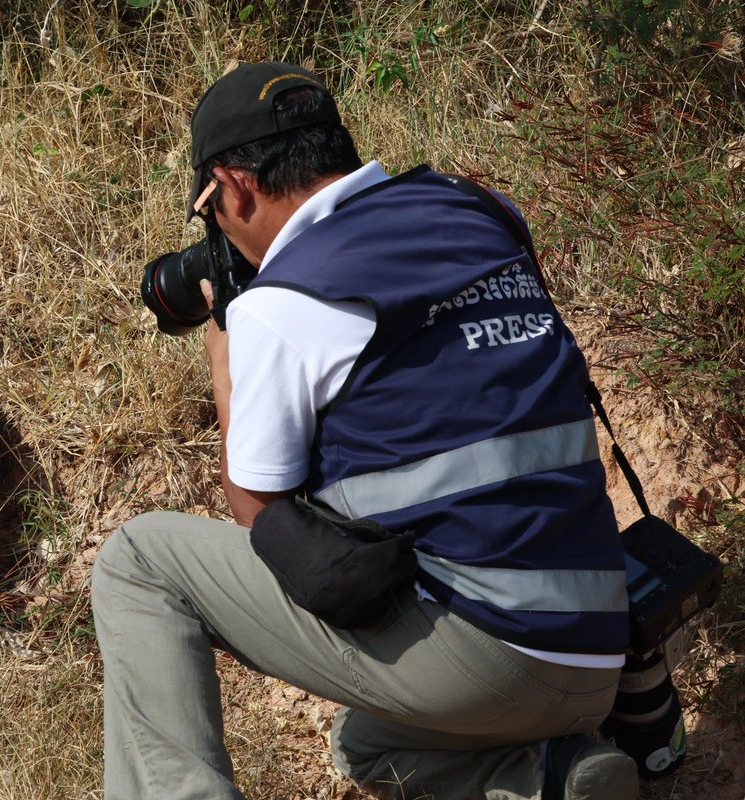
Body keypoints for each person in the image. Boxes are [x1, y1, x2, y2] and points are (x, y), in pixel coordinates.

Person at [91, 61, 638, 800]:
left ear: (234, 185)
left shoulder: (287, 300)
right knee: (366, 740)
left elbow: (258, 507)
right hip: (599, 648)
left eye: (208, 206)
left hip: (481, 662)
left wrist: (225, 346)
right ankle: (546, 778)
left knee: (139, 560)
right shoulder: (480, 210)